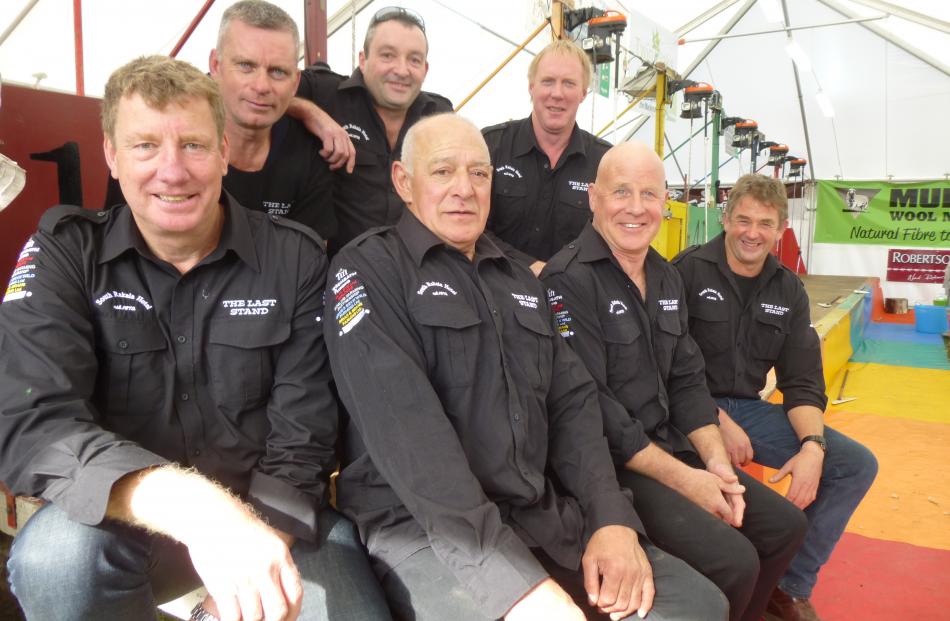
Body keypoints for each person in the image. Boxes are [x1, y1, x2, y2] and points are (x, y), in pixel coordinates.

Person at [0, 55, 390, 621]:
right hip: (123, 520)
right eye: (144, 147)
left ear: (225, 152)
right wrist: (202, 513)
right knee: (54, 561)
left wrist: (253, 546)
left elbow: (304, 435)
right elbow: (33, 425)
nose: (172, 171)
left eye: (194, 146)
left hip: (275, 516)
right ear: (111, 154)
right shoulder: (66, 252)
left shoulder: (296, 259)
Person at [324, 113, 728, 621]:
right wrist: (510, 586)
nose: (464, 190)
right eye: (443, 172)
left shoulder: (519, 278)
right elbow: (410, 439)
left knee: (697, 605)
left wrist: (610, 518)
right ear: (405, 182)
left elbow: (573, 404)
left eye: (479, 173)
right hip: (427, 528)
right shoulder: (368, 271)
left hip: (537, 514)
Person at [541, 142, 807, 621]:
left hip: (672, 446)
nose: (637, 208)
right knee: (734, 558)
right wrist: (688, 480)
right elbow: (592, 408)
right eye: (622, 192)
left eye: (649, 193)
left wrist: (717, 465)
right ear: (594, 199)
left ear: (665, 201)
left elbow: (686, 380)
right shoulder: (567, 281)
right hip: (615, 465)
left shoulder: (665, 277)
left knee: (784, 526)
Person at [674, 173, 878, 621]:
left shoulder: (788, 289)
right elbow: (664, 363)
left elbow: (802, 380)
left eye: (764, 223)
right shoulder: (686, 271)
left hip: (747, 408)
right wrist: (711, 418)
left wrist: (813, 447)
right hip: (683, 406)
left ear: (781, 229)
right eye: (743, 219)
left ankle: (789, 585)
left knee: (855, 465)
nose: (752, 232)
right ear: (725, 219)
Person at [104, 0, 337, 240]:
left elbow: (311, 257)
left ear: (295, 82)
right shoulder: (149, 146)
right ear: (215, 65)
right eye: (246, 66)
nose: (261, 86)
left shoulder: (309, 155)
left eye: (278, 72)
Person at [288, 5, 452, 250]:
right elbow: (256, 93)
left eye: (414, 60)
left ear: (425, 69)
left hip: (414, 272)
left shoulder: (439, 113)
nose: (401, 70)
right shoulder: (325, 93)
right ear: (363, 60)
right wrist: (311, 113)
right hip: (334, 270)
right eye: (388, 55)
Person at [483, 40, 611, 272]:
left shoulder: (605, 162)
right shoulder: (491, 147)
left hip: (573, 296)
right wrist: (529, 267)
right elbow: (470, 227)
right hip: (494, 289)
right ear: (531, 87)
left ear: (583, 93)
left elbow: (612, 238)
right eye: (548, 81)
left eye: (569, 83)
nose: (557, 94)